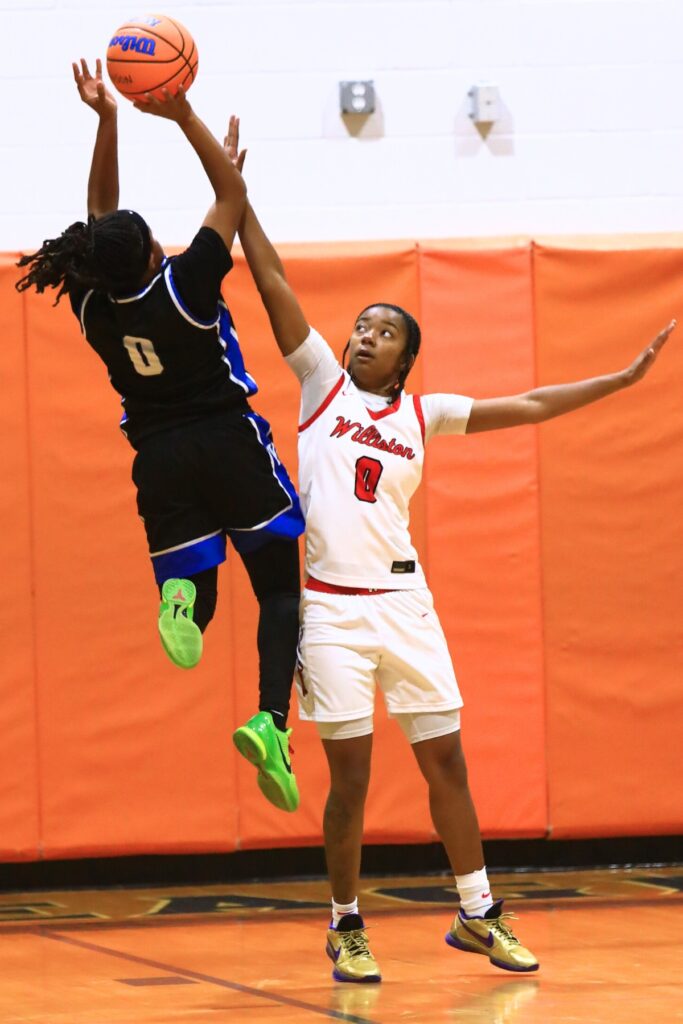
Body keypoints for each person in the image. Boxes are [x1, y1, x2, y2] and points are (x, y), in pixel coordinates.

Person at [223, 116, 676, 980]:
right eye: (358, 325)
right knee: (349, 783)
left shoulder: (422, 414)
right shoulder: (320, 387)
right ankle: (345, 923)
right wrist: (236, 196)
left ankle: (479, 912)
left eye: (381, 331)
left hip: (405, 603)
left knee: (447, 767)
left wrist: (618, 382)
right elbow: (272, 275)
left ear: (404, 359)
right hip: (331, 611)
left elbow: (532, 404)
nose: (361, 335)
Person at [15, 65, 304, 814]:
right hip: (225, 438)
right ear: (150, 255)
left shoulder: (91, 304)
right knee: (277, 588)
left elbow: (96, 219)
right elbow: (230, 198)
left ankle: (180, 598)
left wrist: (105, 122)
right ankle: (271, 723)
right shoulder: (185, 283)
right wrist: (181, 115)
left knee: (199, 588)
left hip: (159, 459)